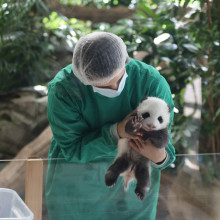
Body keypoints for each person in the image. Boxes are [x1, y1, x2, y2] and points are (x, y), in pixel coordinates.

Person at [46, 32, 175, 220]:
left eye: (118, 78)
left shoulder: (150, 82)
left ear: (126, 60)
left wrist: (159, 156)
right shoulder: (64, 90)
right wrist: (117, 132)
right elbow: (72, 149)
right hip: (77, 188)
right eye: (103, 86)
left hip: (131, 189)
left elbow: (165, 145)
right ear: (82, 79)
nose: (115, 88)